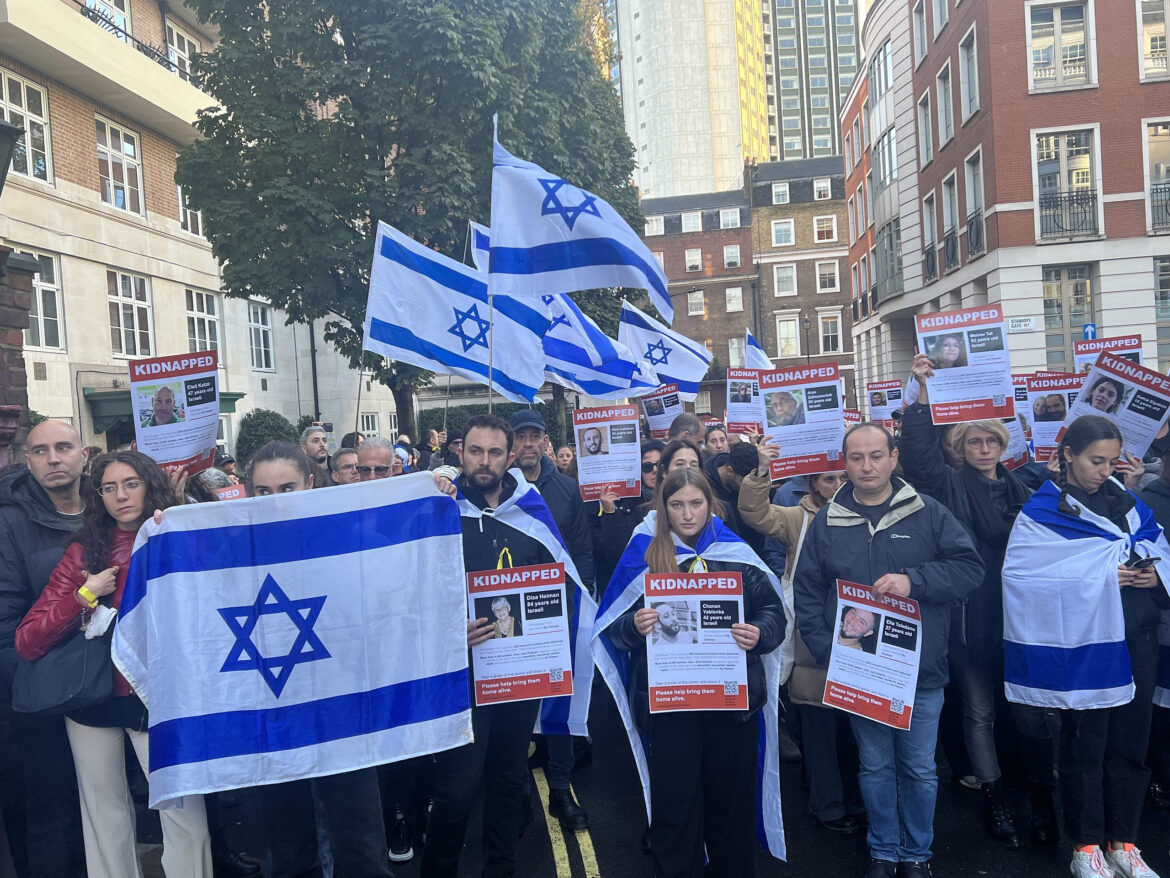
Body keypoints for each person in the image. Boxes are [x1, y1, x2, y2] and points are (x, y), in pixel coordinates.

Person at [793, 423, 984, 878]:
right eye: (856, 457)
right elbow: (807, 592)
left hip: (919, 670)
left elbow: (969, 568)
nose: (867, 466)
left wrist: (914, 581)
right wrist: (830, 653)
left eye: (876, 455)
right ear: (845, 463)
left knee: (918, 768)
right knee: (875, 766)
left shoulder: (928, 511)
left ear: (894, 459)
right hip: (859, 671)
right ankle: (883, 850)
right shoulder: (828, 521)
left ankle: (917, 853)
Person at [16, 450, 213, 878]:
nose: (120, 495)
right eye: (109, 487)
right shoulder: (85, 551)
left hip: (160, 696)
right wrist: (85, 595)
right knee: (103, 818)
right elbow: (28, 641)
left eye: (131, 483)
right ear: (98, 496)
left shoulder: (176, 534)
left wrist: (181, 518)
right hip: (92, 697)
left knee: (184, 814)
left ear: (149, 485)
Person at [1002, 416, 1169, 878]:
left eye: (1112, 462)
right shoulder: (1042, 511)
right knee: (1085, 746)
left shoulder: (1130, 504)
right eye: (1096, 461)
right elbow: (1023, 579)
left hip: (1137, 638)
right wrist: (1103, 576)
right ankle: (1086, 845)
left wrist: (1155, 577)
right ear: (1068, 455)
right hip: (1086, 645)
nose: (1105, 471)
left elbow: (1159, 551)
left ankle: (1124, 842)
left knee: (1131, 745)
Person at [602, 467, 786, 877]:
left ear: (710, 505)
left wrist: (759, 633)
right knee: (676, 804)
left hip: (730, 703)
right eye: (677, 505)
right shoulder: (644, 553)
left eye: (696, 504)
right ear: (663, 507)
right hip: (671, 705)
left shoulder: (734, 551)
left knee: (731, 803)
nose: (687, 514)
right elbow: (612, 625)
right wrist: (634, 626)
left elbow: (774, 612)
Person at [422, 415, 576, 878]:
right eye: (475, 451)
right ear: (460, 453)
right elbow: (416, 593)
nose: (484, 461)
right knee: (457, 788)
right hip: (464, 673)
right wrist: (450, 629)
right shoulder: (440, 509)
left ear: (510, 457)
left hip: (518, 674)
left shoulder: (531, 512)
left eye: (494, 452)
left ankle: (501, 869)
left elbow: (559, 585)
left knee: (509, 779)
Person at [900, 353, 1036, 848]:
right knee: (978, 710)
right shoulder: (949, 486)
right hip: (971, 620)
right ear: (959, 448)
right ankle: (993, 795)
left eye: (991, 441)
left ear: (1003, 445)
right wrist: (921, 394)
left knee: (1020, 708)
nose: (984, 448)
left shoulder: (1026, 489)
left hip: (1018, 619)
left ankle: (1032, 786)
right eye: (974, 441)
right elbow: (919, 456)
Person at [243, 442, 395, 877]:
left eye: (287, 488)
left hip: (342, 709)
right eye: (263, 491)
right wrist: (165, 527)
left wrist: (435, 492)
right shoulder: (232, 551)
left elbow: (397, 601)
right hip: (275, 714)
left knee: (360, 846)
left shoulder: (351, 540)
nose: (275, 501)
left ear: (311, 483)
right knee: (290, 849)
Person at [739, 451, 862, 834]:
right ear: (812, 484)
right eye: (828, 479)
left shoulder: (868, 513)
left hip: (857, 631)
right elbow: (755, 512)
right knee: (818, 723)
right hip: (811, 636)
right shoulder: (798, 517)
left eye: (843, 477)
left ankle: (854, 798)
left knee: (853, 724)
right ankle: (827, 805)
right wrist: (761, 471)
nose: (837, 485)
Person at [0, 420, 89, 876]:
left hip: (104, 685)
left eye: (63, 447)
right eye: (40, 451)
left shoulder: (108, 503)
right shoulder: (9, 521)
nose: (53, 458)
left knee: (104, 806)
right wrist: (33, 683)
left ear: (83, 455)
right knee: (49, 812)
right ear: (28, 461)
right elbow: (4, 615)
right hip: (38, 690)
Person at [508, 409, 594, 831]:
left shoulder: (566, 489)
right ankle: (517, 793)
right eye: (520, 436)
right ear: (512, 442)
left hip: (557, 608)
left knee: (559, 697)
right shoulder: (496, 486)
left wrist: (582, 598)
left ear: (545, 441)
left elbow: (581, 548)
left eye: (534, 436)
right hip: (509, 612)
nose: (528, 443)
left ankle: (560, 788)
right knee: (514, 701)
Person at [594, 441, 665, 593]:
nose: (655, 470)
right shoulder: (627, 504)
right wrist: (610, 512)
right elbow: (617, 552)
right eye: (647, 466)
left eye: (659, 465)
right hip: (638, 584)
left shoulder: (680, 497)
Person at [702, 442, 766, 556]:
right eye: (744, 482)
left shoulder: (743, 473)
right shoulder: (705, 488)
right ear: (729, 471)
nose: (749, 488)